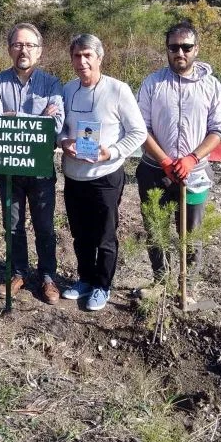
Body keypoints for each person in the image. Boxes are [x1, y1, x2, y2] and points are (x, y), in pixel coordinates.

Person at [58, 34, 147, 311]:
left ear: (99, 57)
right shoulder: (67, 89)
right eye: (77, 56)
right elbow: (59, 127)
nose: (82, 61)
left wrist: (112, 151)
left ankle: (102, 286)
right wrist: (62, 142)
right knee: (79, 234)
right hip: (73, 176)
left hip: (105, 176)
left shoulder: (118, 90)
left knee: (105, 235)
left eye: (88, 55)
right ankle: (84, 280)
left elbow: (138, 132)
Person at [136, 21, 221, 285]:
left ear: (196, 49)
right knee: (156, 230)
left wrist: (191, 158)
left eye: (186, 47)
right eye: (174, 47)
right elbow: (141, 128)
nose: (180, 53)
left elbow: (219, 129)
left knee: (192, 233)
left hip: (195, 173)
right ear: (166, 50)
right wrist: (164, 160)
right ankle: (161, 284)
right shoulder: (152, 84)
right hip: (155, 171)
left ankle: (188, 287)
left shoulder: (212, 86)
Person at [0, 22, 65, 304]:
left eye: (30, 45)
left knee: (45, 225)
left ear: (39, 51)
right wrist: (39, 117)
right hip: (8, 168)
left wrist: (14, 118)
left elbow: (54, 127)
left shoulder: (53, 83)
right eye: (18, 44)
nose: (24, 50)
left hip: (41, 169)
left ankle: (47, 277)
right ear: (9, 49)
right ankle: (17, 273)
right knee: (13, 224)